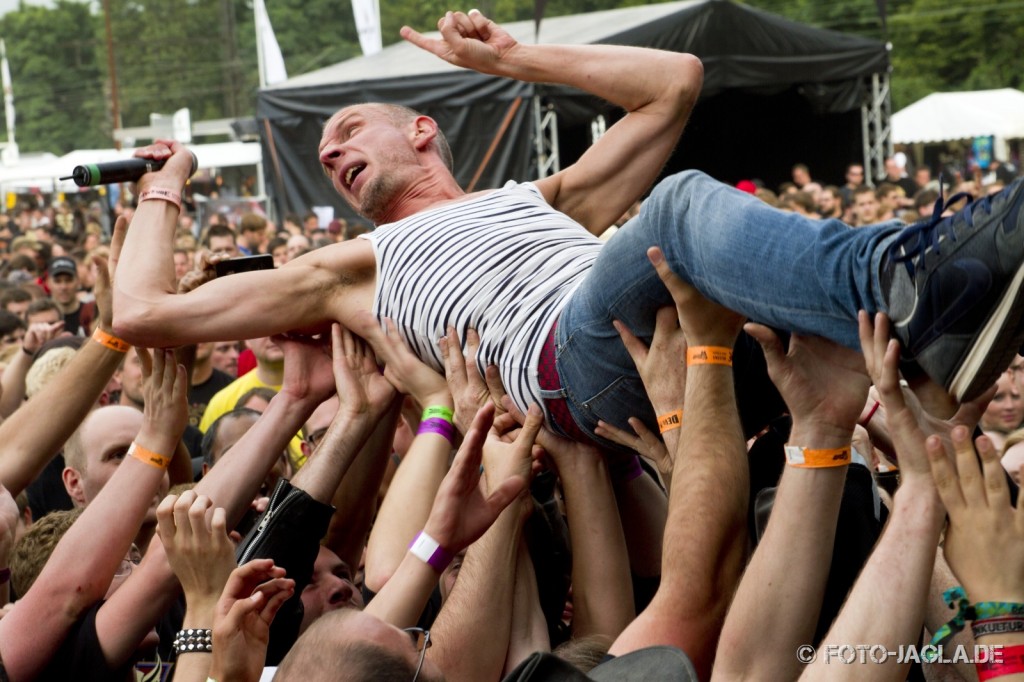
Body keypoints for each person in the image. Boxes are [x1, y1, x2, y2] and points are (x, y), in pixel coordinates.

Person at [114, 10, 1024, 452]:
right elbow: (145, 310)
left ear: (421, 130)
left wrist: (511, 60)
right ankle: (913, 280)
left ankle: (926, 317)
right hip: (573, 370)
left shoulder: (538, 198)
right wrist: (168, 184)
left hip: (680, 338)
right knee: (673, 207)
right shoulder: (349, 266)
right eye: (322, 153)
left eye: (349, 129)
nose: (332, 152)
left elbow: (677, 79)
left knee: (699, 247)